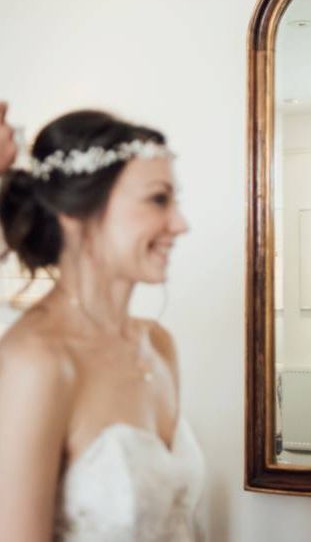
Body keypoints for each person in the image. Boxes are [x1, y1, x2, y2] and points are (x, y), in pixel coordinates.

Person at [0, 110, 205, 541]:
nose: (180, 224)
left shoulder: (158, 343)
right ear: (75, 213)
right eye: (158, 199)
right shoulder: (35, 360)